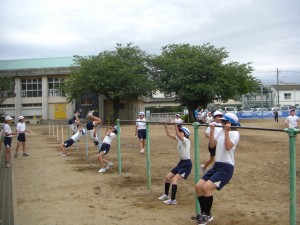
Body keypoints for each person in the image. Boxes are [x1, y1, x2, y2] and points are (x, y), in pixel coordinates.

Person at [193, 113, 240, 225]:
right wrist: (213, 130)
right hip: (216, 165)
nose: (221, 123)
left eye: (224, 122)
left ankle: (207, 215)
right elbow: (212, 145)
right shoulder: (221, 131)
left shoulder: (235, 133)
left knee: (207, 188)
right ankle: (204, 213)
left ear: (230, 123)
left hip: (226, 167)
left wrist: (227, 132)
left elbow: (228, 147)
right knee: (199, 187)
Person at [158, 123, 192, 205]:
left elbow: (179, 136)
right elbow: (169, 134)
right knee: (167, 177)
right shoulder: (179, 139)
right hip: (181, 163)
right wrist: (166, 126)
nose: (179, 132)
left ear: (185, 134)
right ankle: (166, 195)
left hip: (187, 164)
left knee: (174, 180)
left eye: (181, 131)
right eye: (179, 131)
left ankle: (173, 200)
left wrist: (176, 126)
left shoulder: (186, 141)